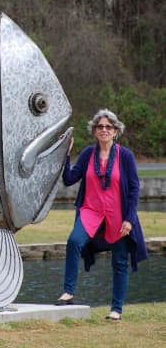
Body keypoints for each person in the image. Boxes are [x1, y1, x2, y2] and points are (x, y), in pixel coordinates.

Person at [55, 109, 148, 320]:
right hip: (91, 212)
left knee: (120, 262)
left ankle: (116, 310)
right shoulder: (88, 153)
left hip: (118, 216)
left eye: (108, 127)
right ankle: (68, 292)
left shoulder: (125, 155)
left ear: (116, 131)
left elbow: (134, 190)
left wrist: (129, 219)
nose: (104, 130)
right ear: (95, 131)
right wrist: (66, 154)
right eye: (100, 126)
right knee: (73, 241)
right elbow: (69, 179)